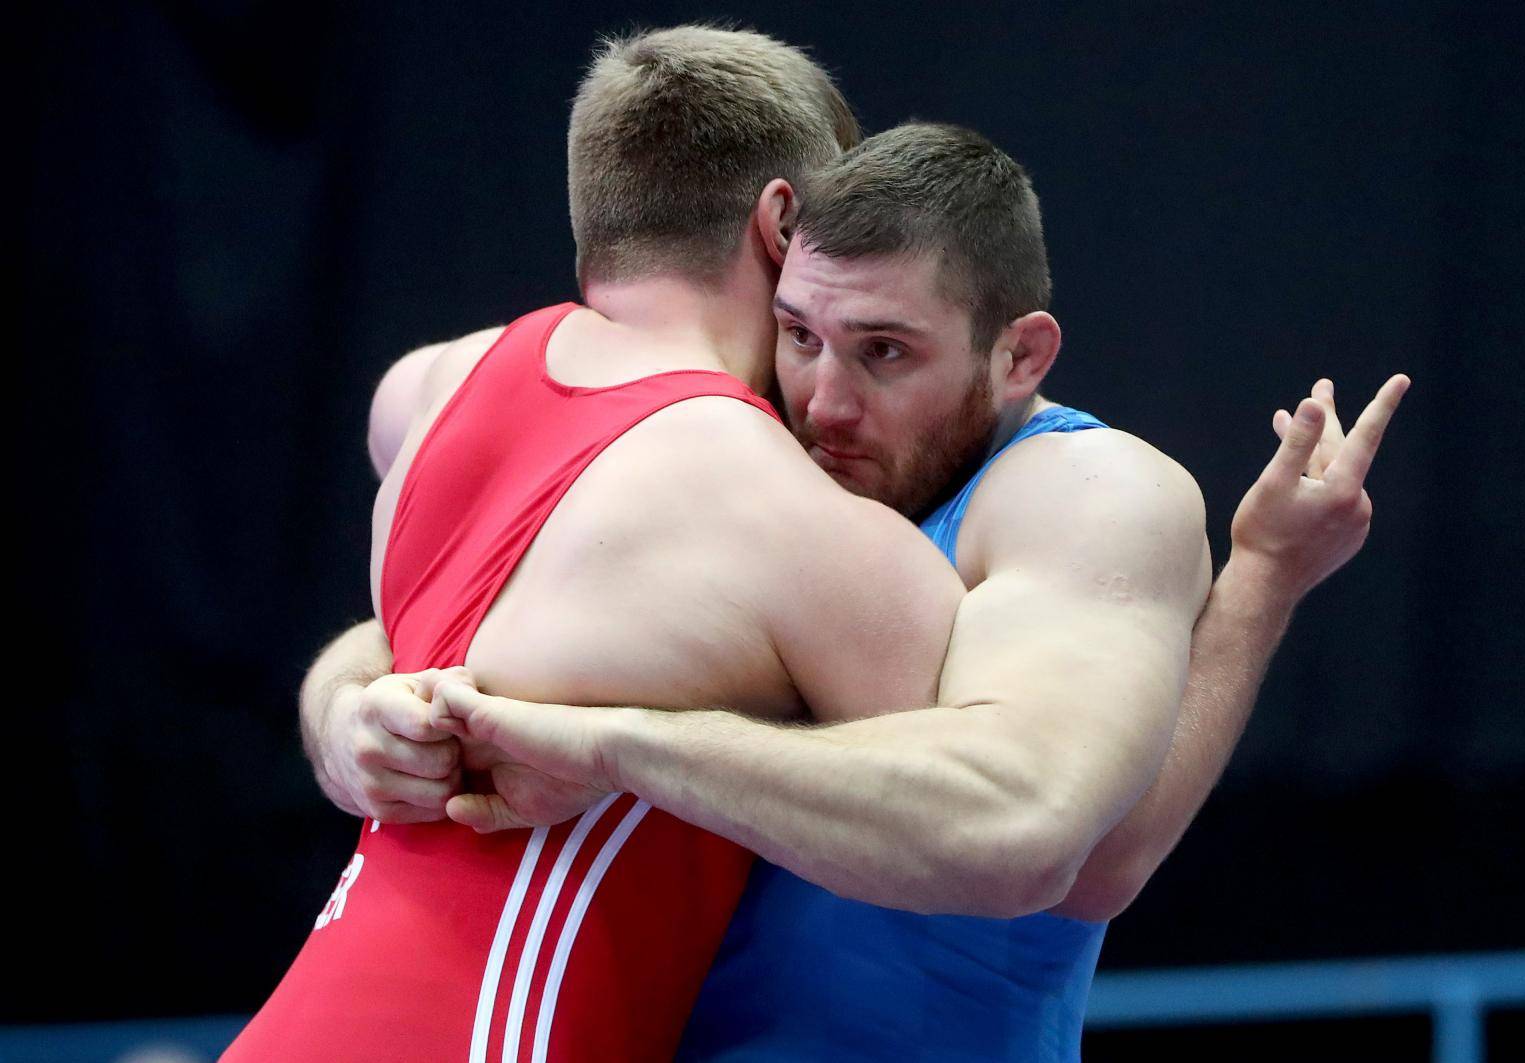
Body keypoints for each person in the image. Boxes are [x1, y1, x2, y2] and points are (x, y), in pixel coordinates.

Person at [303, 119, 1409, 1060]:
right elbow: (475, 599)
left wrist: (1261, 577)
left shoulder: (1083, 491)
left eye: (883, 352)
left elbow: (1076, 852)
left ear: (1020, 355)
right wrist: (351, 706)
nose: (824, 397)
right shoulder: (762, 445)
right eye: (799, 335)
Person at [224, 27, 972, 1063]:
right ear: (783, 222)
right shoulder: (783, 510)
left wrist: (342, 707)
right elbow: (1038, 830)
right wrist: (1255, 576)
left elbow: (449, 634)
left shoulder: (424, 393)